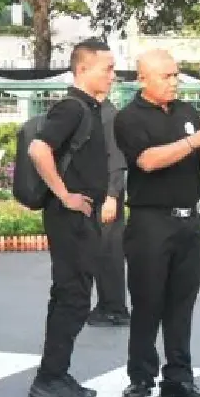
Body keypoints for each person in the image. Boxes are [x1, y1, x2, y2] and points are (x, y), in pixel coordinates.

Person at [112, 49, 200, 397]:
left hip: (188, 220)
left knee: (182, 302)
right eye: (165, 76)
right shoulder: (129, 118)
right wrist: (196, 140)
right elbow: (148, 161)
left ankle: (179, 376)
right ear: (143, 79)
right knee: (148, 301)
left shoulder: (186, 112)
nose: (173, 82)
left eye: (176, 75)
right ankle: (141, 374)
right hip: (151, 221)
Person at [24, 38, 119, 397]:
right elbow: (38, 149)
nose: (112, 75)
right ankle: (50, 377)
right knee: (73, 296)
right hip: (70, 216)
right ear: (83, 69)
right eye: (106, 68)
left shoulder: (90, 108)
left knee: (70, 294)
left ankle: (55, 373)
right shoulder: (73, 108)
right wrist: (65, 195)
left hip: (80, 215)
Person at [88, 97, 132, 327]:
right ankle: (107, 304)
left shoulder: (108, 115)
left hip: (107, 194)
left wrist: (112, 196)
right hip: (100, 192)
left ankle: (114, 308)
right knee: (101, 251)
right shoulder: (98, 112)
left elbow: (116, 160)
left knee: (109, 251)